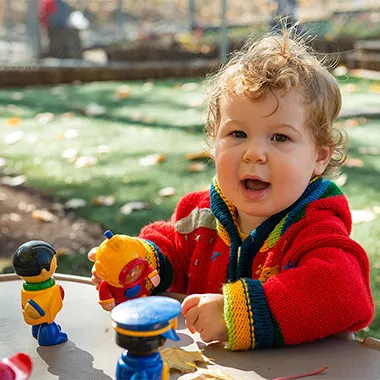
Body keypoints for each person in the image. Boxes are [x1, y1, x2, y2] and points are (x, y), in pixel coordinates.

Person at [88, 27, 374, 351]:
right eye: (237, 134)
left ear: (319, 156)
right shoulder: (199, 216)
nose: (253, 153)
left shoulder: (313, 227)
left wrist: (237, 314)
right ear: (214, 141)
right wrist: (140, 260)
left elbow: (345, 294)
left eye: (280, 137)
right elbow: (171, 250)